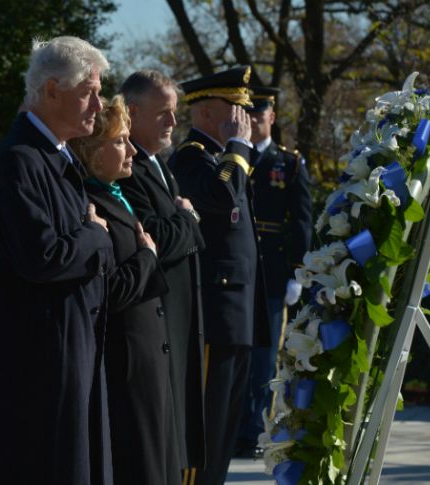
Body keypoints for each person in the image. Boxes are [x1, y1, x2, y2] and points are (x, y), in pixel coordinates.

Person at [0, 36, 115, 485]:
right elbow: (45, 257)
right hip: (41, 365)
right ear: (52, 90)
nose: (98, 104)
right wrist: (95, 234)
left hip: (71, 348)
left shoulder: (54, 156)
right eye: (88, 91)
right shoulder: (20, 161)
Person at [69, 95, 180, 485]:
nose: (131, 149)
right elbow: (110, 290)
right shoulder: (90, 202)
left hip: (150, 359)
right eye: (119, 141)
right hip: (126, 364)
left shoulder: (117, 194)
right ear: (91, 150)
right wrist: (148, 257)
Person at [167, 66, 270, 485]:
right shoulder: (192, 157)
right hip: (213, 312)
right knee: (206, 429)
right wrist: (238, 146)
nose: (244, 118)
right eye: (236, 109)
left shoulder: (227, 156)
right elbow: (219, 195)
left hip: (237, 311)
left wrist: (237, 149)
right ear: (209, 112)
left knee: (225, 430)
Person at [117, 70, 206, 483]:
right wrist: (187, 217)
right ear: (132, 112)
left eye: (174, 113)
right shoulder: (127, 165)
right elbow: (156, 237)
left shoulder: (158, 163)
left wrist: (181, 223)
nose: (173, 123)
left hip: (177, 321)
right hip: (158, 322)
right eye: (164, 114)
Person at [236, 86, 313, 458]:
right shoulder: (233, 157)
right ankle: (234, 427)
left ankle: (257, 429)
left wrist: (297, 273)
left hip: (271, 270)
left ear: (272, 118)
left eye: (259, 113)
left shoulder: (289, 163)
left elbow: (301, 222)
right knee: (237, 351)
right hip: (237, 271)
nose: (253, 119)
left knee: (266, 354)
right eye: (247, 113)